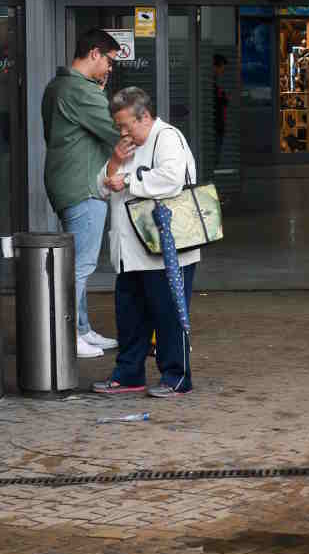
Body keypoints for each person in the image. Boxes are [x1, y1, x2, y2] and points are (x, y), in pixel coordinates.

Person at [91, 88, 198, 398]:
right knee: (130, 315)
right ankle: (128, 374)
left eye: (126, 125)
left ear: (145, 117)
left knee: (168, 314)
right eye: (118, 127)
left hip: (165, 249)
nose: (122, 133)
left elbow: (172, 178)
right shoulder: (126, 147)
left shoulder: (167, 138)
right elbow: (101, 187)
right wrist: (113, 163)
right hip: (130, 251)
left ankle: (177, 377)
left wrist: (127, 181)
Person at [41, 28, 122, 359]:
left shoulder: (57, 85)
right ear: (94, 54)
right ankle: (66, 334)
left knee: (77, 261)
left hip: (66, 181)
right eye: (110, 61)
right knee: (80, 265)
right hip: (83, 185)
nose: (110, 69)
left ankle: (82, 329)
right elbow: (116, 130)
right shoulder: (82, 92)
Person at [211, 54, 230, 175]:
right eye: (222, 67)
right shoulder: (211, 85)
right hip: (216, 126)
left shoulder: (214, 84)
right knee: (214, 157)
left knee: (216, 156)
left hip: (218, 126)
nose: (223, 71)